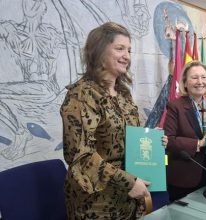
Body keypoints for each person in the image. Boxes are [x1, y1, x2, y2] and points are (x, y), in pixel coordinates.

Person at [60, 22, 167, 219]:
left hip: (128, 198)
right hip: (96, 203)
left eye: (129, 50)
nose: (127, 56)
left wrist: (151, 141)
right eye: (120, 48)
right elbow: (80, 156)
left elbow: (127, 138)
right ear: (99, 51)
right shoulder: (82, 94)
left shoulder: (123, 93)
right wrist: (128, 182)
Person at [164, 61, 206, 201]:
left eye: (203, 77)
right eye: (194, 77)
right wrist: (200, 143)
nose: (200, 82)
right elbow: (169, 140)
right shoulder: (175, 106)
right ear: (184, 82)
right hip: (184, 175)